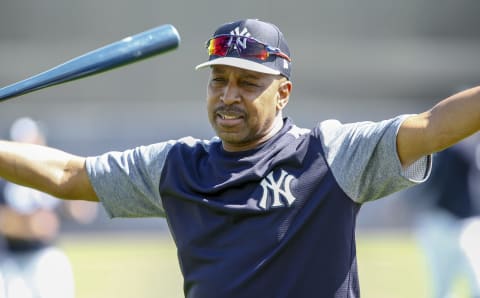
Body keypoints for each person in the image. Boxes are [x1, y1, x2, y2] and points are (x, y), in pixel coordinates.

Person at [0, 19, 478, 297]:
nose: (228, 95)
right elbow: (66, 174)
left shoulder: (331, 154)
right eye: (218, 80)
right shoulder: (175, 167)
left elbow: (434, 126)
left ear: (283, 93)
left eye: (248, 83)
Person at [0, 117, 97, 298]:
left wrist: (74, 205)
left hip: (47, 255)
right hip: (12, 258)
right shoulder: (5, 181)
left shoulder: (51, 172)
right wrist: (26, 226)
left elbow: (79, 209)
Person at [409, 135, 480, 298]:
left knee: (477, 283)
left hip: (470, 224)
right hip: (441, 223)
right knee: (442, 289)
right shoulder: (451, 148)